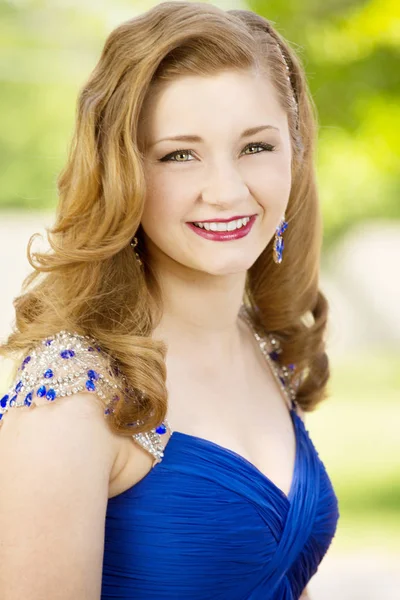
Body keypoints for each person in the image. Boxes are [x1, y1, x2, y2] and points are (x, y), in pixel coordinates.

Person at [0, 2, 340, 598]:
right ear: (121, 174)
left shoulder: (263, 344)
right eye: (179, 155)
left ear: (297, 151)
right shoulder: (73, 393)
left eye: (256, 147)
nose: (227, 190)